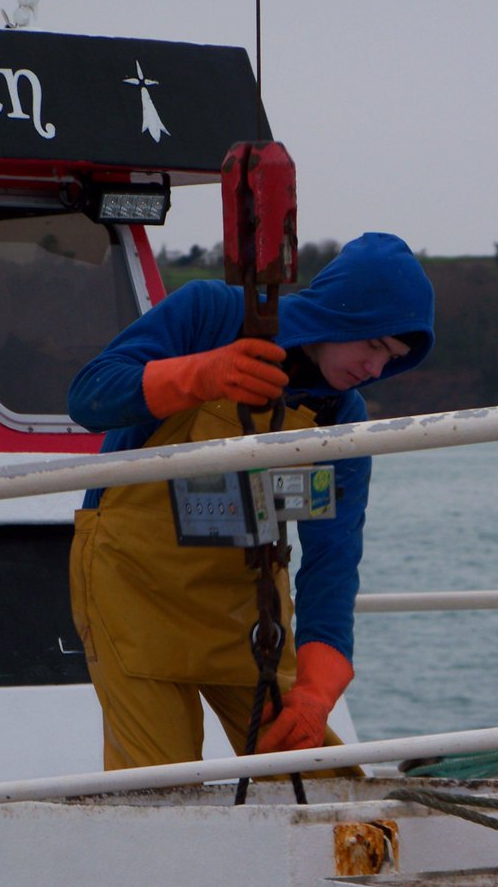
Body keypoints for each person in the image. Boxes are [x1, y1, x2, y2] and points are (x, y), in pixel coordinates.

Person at [67, 231, 435, 770]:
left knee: (324, 781)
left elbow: (334, 561)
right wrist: (203, 372)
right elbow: (89, 395)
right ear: (342, 314)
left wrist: (315, 694)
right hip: (133, 594)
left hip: (247, 616)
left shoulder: (343, 417)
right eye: (374, 345)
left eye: (393, 358)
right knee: (159, 797)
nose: (375, 369)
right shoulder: (209, 313)